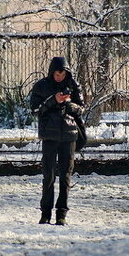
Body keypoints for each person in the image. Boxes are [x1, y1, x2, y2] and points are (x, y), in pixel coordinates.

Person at [30, 56, 85, 225]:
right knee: (48, 175)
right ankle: (45, 213)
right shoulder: (41, 86)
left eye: (62, 74)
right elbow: (35, 109)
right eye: (57, 74)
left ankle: (62, 214)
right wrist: (54, 100)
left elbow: (81, 108)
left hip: (69, 135)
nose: (60, 78)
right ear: (51, 72)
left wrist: (68, 104)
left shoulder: (74, 85)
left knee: (65, 176)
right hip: (50, 136)